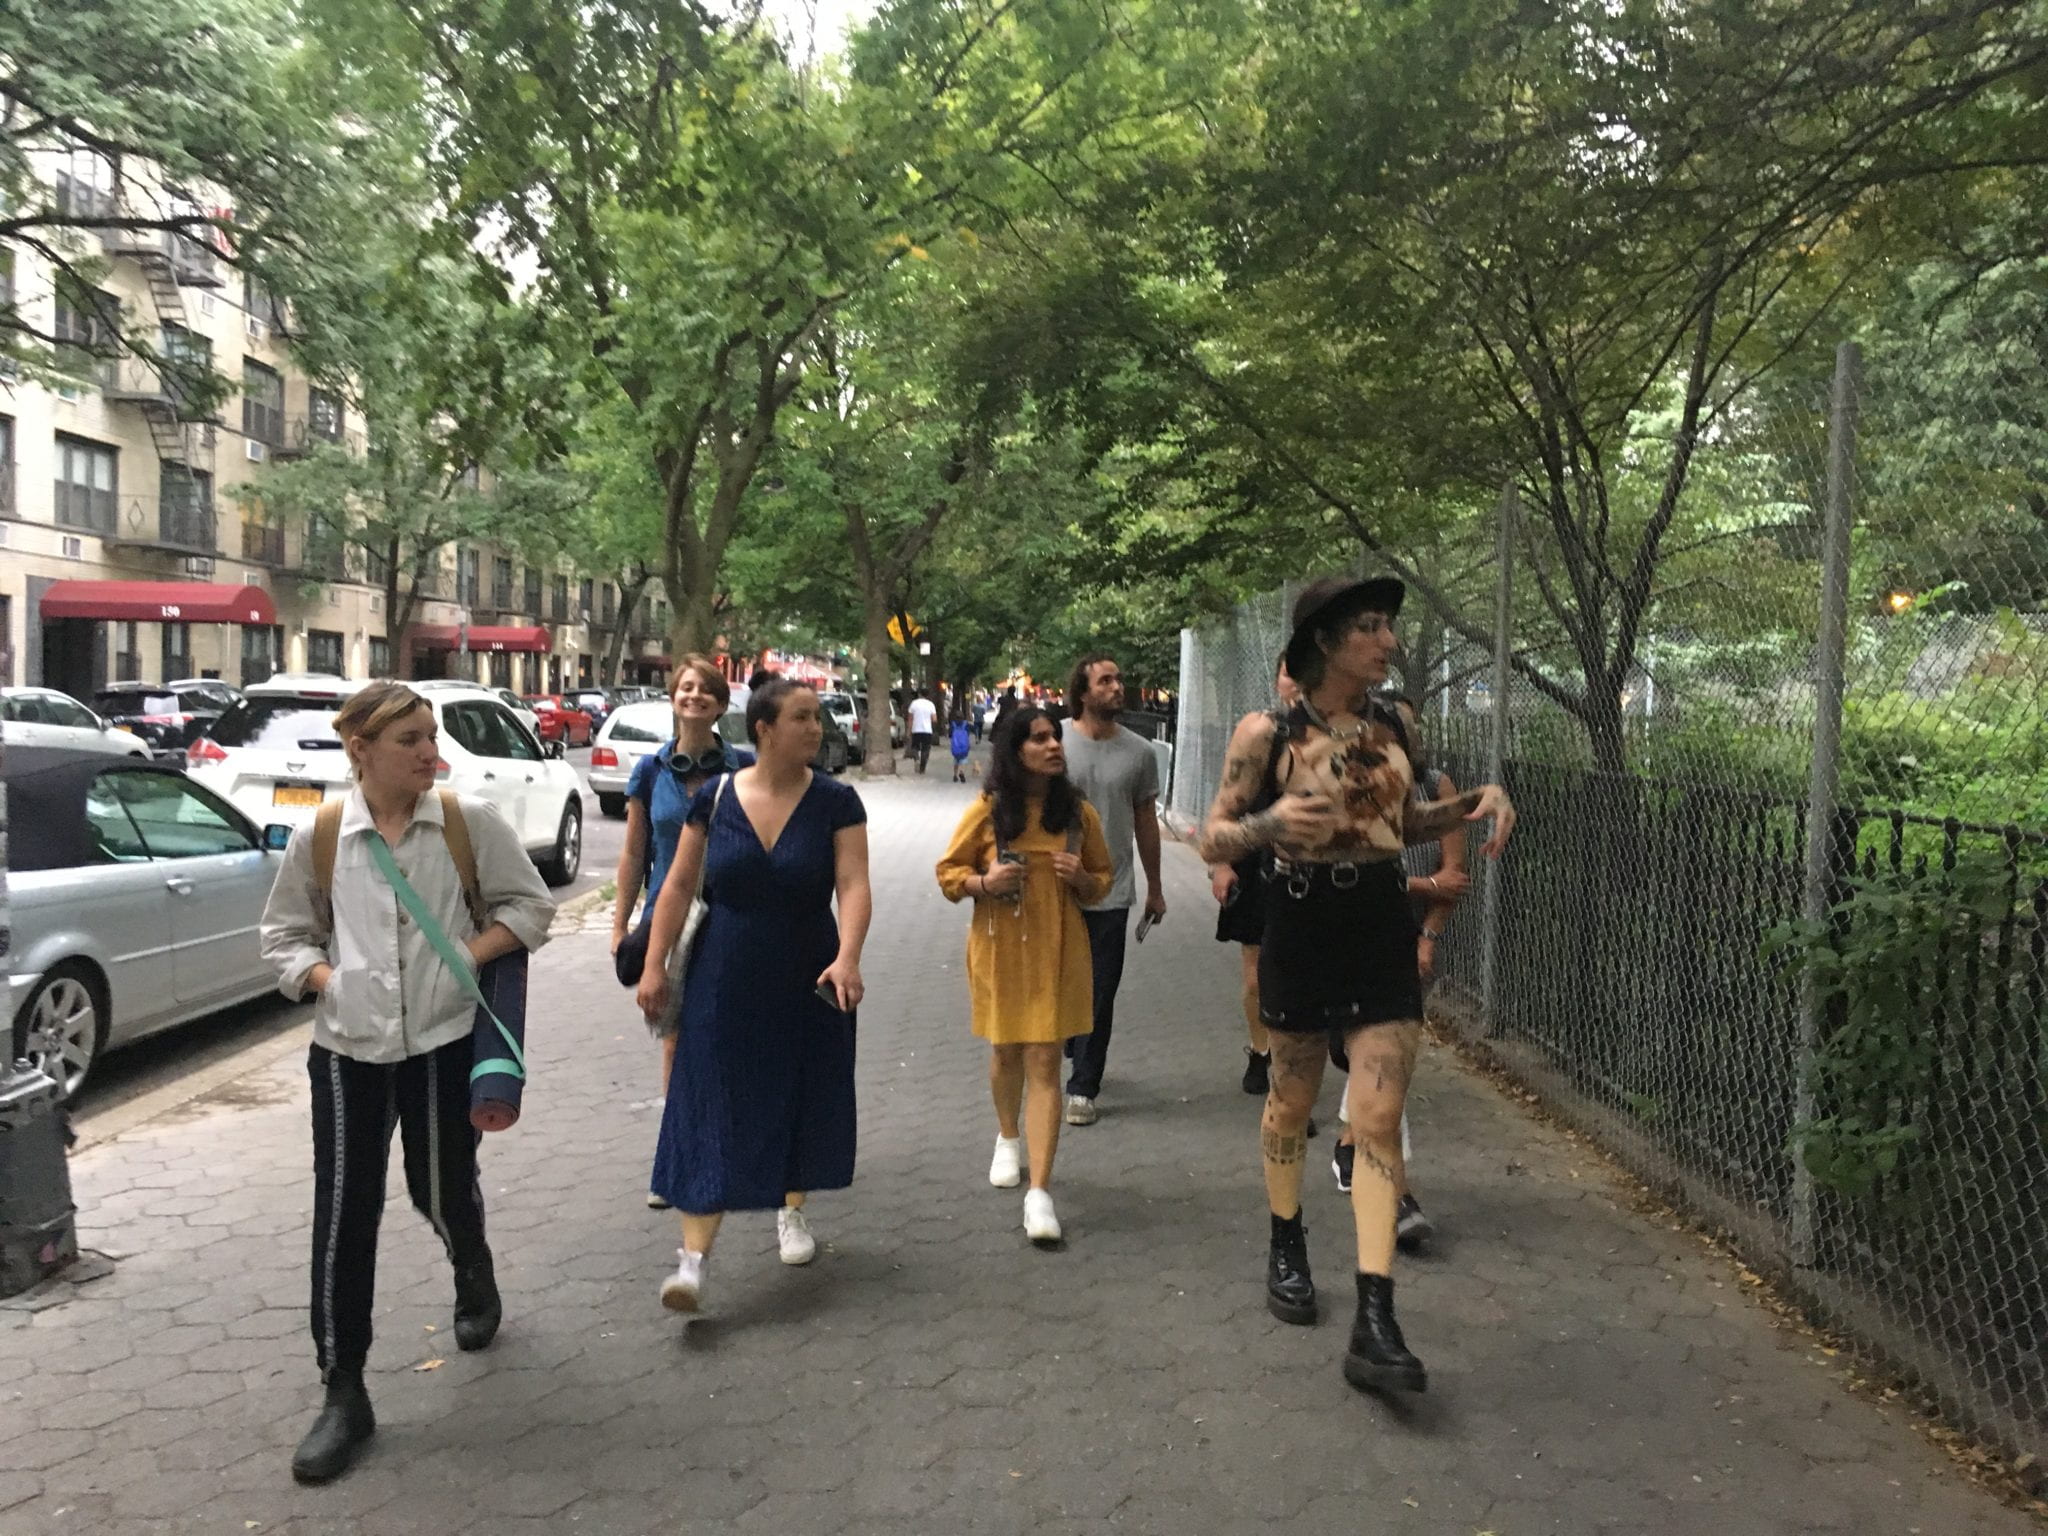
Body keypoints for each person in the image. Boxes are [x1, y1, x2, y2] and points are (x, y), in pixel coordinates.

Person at [1198, 576, 1515, 1395]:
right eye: (1371, 628)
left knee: (1376, 1118)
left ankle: (1377, 1316)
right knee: (1291, 1101)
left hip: (1378, 922)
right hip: (1299, 924)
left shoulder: (1396, 721)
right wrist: (1268, 827)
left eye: (1388, 627)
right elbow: (1213, 836)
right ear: (1327, 642)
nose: (1389, 641)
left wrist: (1476, 802)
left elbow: (1399, 824)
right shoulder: (1266, 731)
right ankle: (1286, 1240)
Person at [259, 681, 556, 1484]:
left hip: (442, 1044)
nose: (433, 752)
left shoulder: (465, 825)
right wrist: (323, 977)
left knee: (439, 1188)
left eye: (433, 736)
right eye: (413, 740)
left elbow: (530, 907)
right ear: (361, 749)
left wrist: (473, 951)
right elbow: (282, 934)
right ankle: (343, 1389)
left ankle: (471, 1263)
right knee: (344, 1215)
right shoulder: (324, 837)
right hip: (347, 1052)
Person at [636, 676, 872, 1312]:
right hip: (724, 969)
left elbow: (852, 884)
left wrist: (848, 956)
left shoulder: (836, 802)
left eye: (819, 717)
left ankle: (791, 1211)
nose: (816, 728)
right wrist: (654, 967)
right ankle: (692, 1263)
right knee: (708, 1095)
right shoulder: (714, 797)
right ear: (763, 729)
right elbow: (679, 887)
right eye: (802, 717)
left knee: (796, 1090)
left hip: (809, 969)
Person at [936, 707, 1113, 1244]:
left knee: (1044, 1058)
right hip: (1001, 945)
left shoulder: (1079, 815)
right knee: (1006, 1049)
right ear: (1015, 751)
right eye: (1039, 739)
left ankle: (1040, 1192)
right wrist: (985, 882)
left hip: (1059, 945)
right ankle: (1007, 1136)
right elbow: (948, 873)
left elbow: (1103, 880)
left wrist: (1082, 876)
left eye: (1055, 736)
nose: (1053, 745)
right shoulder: (989, 811)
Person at [609, 655, 754, 1210]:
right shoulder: (650, 771)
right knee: (673, 1032)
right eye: (685, 687)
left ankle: (733, 1145)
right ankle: (679, 1156)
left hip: (727, 911)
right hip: (670, 917)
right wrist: (621, 924)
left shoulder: (739, 768)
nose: (693, 696)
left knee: (726, 1027)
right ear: (673, 696)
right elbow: (633, 852)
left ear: (720, 704)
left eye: (705, 690)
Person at [1328, 695, 1469, 1258]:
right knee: (1362, 1058)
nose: (1394, 736)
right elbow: (1348, 872)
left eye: (1402, 728)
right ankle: (1353, 1147)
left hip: (1409, 942)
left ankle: (1395, 1195)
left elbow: (1453, 876)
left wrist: (1428, 933)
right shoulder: (1347, 787)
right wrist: (1416, 886)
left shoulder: (1436, 785)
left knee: (1388, 1064)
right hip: (1350, 936)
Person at [1057, 655, 1166, 1125]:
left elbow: (1146, 821)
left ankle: (1084, 1086)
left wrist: (1156, 886)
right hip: (1055, 887)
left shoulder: (1139, 752)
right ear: (1083, 693)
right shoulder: (1052, 740)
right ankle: (1069, 1039)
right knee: (1062, 983)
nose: (1117, 687)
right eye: (1106, 681)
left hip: (1111, 888)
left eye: (1120, 678)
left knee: (1101, 990)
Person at [1210, 659, 1298, 1097]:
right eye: (1288, 672)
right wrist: (1221, 864)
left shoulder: (1336, 737)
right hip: (1253, 860)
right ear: (1278, 681)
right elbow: (1224, 808)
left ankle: (1289, 1074)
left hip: (1309, 869)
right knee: (1255, 977)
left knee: (1298, 975)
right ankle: (1260, 1050)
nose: (1296, 681)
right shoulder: (1261, 734)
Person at [907, 689, 939, 773]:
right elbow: (934, 719)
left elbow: (910, 719)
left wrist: (909, 730)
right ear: (927, 695)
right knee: (926, 749)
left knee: (914, 747)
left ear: (919, 694)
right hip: (927, 730)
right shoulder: (930, 704)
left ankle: (916, 759)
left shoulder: (914, 703)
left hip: (916, 729)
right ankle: (922, 768)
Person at [949, 713, 973, 782]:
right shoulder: (966, 724)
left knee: (956, 760)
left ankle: (955, 775)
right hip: (964, 745)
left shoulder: (953, 724)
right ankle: (962, 772)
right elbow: (972, 729)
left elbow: (950, 734)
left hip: (955, 746)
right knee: (964, 760)